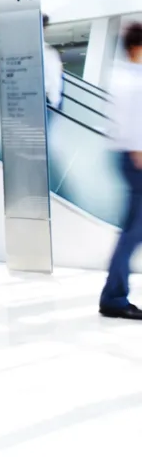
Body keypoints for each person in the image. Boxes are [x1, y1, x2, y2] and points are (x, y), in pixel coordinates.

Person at [99, 23, 142, 320]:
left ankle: (113, 294)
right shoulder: (132, 81)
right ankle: (113, 297)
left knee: (132, 228)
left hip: (127, 155)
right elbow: (133, 123)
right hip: (134, 158)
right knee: (134, 230)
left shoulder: (124, 75)